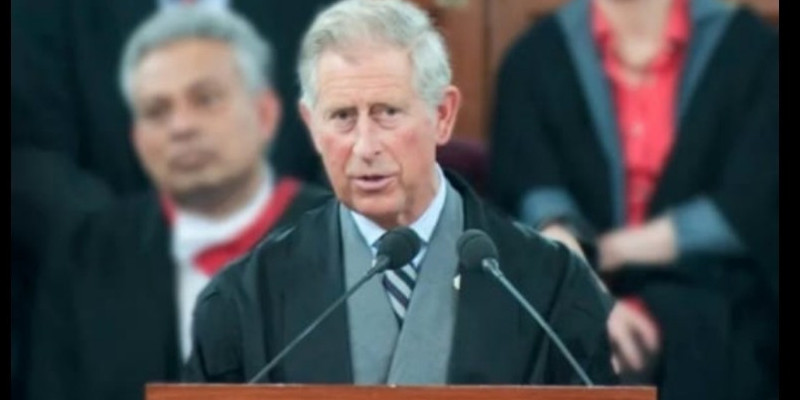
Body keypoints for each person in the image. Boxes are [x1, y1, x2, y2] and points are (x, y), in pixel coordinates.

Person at [184, 0, 617, 386]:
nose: (365, 146)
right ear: (312, 126)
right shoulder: (245, 299)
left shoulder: (550, 286)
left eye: (388, 113)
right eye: (342, 117)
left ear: (443, 115)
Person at [24, 7, 330, 400]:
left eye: (206, 99)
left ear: (266, 113)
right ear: (137, 138)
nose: (181, 126)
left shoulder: (348, 242)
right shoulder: (85, 261)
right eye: (157, 111)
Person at [488, 0, 778, 399]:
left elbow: (752, 200)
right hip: (569, 284)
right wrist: (584, 290)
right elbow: (532, 190)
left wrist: (613, 252)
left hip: (717, 298)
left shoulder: (751, 50)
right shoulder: (535, 57)